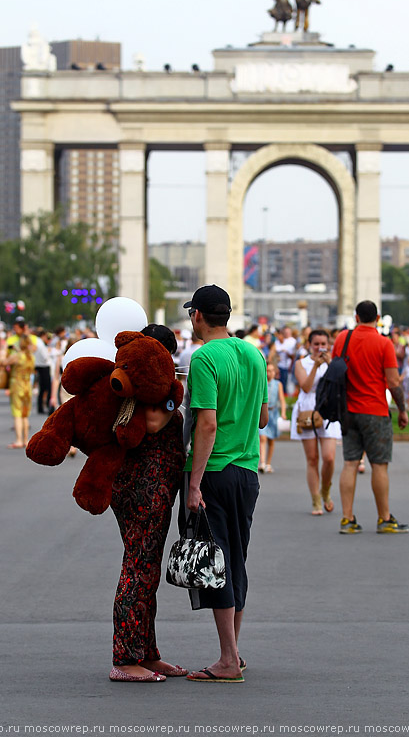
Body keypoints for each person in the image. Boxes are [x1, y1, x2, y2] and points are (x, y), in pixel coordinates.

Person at [182, 284, 268, 683]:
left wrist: (194, 484)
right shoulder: (254, 354)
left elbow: (207, 423)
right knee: (236, 559)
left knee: (216, 563)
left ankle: (228, 661)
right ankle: (232, 651)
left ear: (197, 315)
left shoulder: (204, 359)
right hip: (248, 472)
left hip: (214, 471)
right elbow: (264, 417)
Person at [109, 324, 188, 682]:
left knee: (146, 569)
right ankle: (125, 658)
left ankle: (147, 651)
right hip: (144, 489)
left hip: (148, 489)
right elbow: (154, 423)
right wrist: (176, 397)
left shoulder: (147, 382)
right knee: (137, 568)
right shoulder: (144, 387)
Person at [333, 301, 409, 535]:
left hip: (348, 411)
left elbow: (335, 370)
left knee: (349, 463)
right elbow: (394, 382)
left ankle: (347, 519)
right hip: (375, 410)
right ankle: (384, 519)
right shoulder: (384, 343)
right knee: (379, 464)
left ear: (356, 318)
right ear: (377, 318)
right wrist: (402, 409)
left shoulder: (342, 339)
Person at [291, 329, 341, 515]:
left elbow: (339, 382)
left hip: (328, 409)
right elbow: (305, 386)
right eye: (316, 344)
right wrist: (315, 366)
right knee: (312, 459)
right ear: (309, 345)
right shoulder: (301, 363)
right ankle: (316, 500)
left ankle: (325, 491)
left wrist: (329, 364)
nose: (320, 348)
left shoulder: (333, 363)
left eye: (323, 344)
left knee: (329, 458)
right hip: (307, 410)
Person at [6, 335, 35, 448]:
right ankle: (26, 439)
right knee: (25, 414)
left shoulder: (17, 356)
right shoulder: (31, 357)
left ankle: (18, 439)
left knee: (17, 412)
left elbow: (3, 362)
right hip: (27, 385)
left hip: (17, 384)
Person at [259, 362, 287, 473]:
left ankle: (268, 463)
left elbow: (282, 399)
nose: (268, 373)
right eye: (266, 370)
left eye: (270, 371)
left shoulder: (278, 384)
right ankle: (262, 463)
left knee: (271, 439)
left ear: (275, 373)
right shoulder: (261, 383)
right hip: (262, 413)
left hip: (273, 412)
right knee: (262, 437)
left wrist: (283, 412)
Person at [33, 329, 52, 414]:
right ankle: (47, 405)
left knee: (42, 388)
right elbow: (45, 357)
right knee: (47, 388)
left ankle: (40, 407)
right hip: (44, 366)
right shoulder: (41, 344)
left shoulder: (37, 342)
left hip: (39, 365)